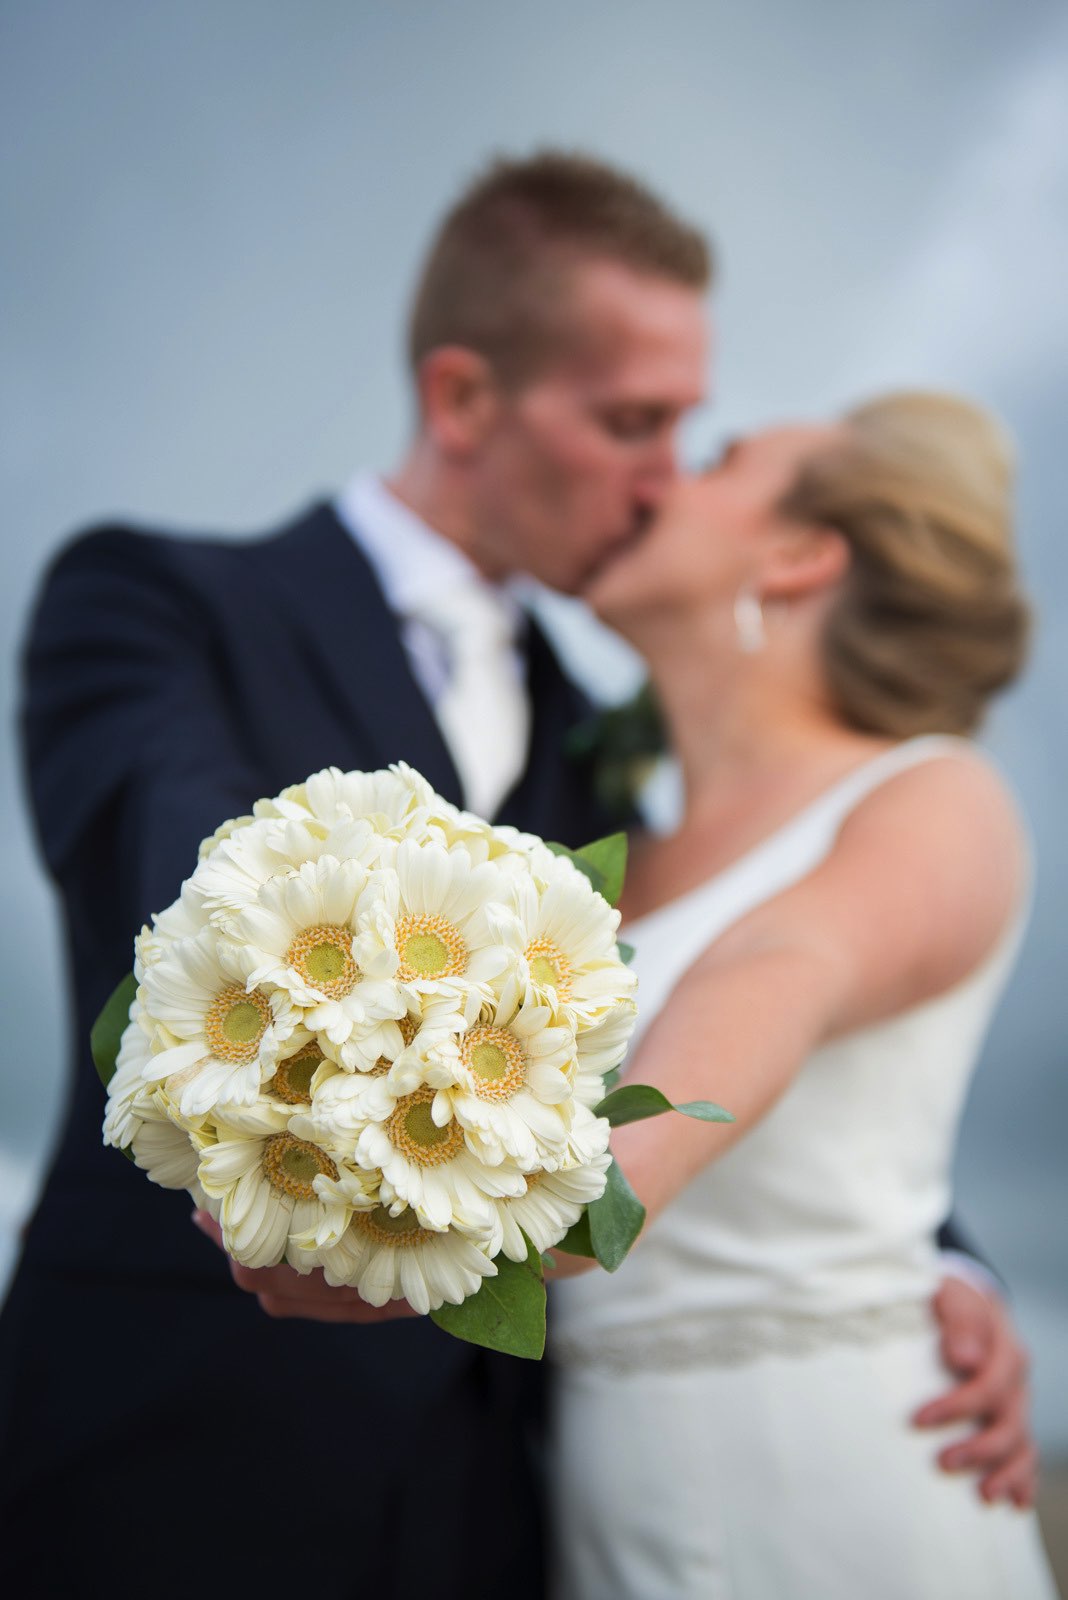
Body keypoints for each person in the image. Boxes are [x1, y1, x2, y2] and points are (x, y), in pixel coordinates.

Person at [0, 152, 1034, 1593]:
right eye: (634, 422)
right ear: (466, 398)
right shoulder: (161, 603)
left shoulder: (601, 762)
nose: (665, 473)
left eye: (693, 433)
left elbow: (747, 1012)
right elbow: (195, 874)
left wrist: (942, 1262)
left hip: (495, 1519)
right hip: (172, 1479)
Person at [546, 392, 1058, 1596]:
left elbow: (772, 976)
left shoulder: (931, 801)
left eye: (722, 459)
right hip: (596, 1511)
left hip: (837, 1497)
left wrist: (449, 1230)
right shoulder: (598, 849)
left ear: (799, 553)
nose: (660, 476)